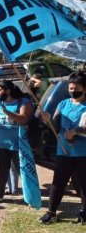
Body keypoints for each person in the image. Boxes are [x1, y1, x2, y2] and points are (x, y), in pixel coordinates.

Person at [39, 71, 86, 224]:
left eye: (76, 87)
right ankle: (51, 212)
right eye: (71, 88)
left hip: (82, 153)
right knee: (58, 183)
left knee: (83, 184)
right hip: (64, 151)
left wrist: (76, 131)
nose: (73, 91)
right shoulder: (63, 104)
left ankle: (84, 213)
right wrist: (48, 119)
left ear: (84, 89)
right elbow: (55, 126)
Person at [0, 80, 32, 203]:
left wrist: (7, 112)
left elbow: (23, 119)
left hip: (17, 143)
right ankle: (0, 195)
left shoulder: (23, 102)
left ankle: (30, 196)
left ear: (8, 90)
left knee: (22, 170)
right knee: (2, 169)